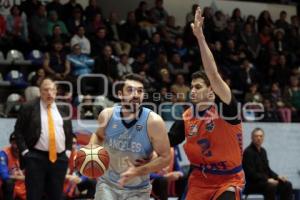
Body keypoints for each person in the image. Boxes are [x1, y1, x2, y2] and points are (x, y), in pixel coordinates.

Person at [168, 6, 244, 200]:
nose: (193, 90)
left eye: (199, 86)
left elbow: (213, 74)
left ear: (211, 90)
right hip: (199, 180)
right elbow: (168, 140)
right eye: (192, 86)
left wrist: (200, 38)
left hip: (228, 180)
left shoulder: (227, 109)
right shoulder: (186, 116)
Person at [89, 73, 171, 200]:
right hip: (108, 185)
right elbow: (98, 136)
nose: (136, 95)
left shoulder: (154, 122)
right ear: (120, 94)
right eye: (130, 90)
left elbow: (166, 158)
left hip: (138, 190)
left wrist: (138, 171)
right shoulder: (107, 115)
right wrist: (91, 151)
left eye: (140, 91)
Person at [14, 77, 73, 200]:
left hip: (59, 159)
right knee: (34, 195)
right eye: (46, 90)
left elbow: (68, 132)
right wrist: (25, 152)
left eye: (52, 90)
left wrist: (67, 151)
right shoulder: (28, 107)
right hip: (36, 158)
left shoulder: (64, 108)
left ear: (56, 92)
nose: (49, 93)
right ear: (40, 92)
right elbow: (18, 132)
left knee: (56, 196)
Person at [242, 128, 293, 200]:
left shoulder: (263, 151)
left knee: (287, 184)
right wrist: (267, 180)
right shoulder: (248, 152)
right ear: (252, 137)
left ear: (263, 138)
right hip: (253, 184)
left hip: (264, 182)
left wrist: (278, 177)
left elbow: (268, 169)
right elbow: (251, 173)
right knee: (271, 186)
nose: (259, 138)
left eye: (261, 136)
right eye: (256, 136)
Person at [0, 133, 26, 200]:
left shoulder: (26, 154)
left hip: (21, 188)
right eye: (15, 143)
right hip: (6, 189)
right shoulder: (4, 154)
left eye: (19, 143)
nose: (17, 146)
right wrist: (22, 177)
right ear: (11, 143)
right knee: (8, 183)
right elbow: (4, 176)